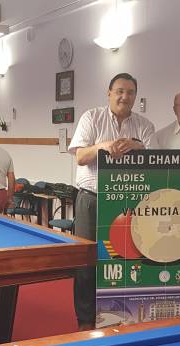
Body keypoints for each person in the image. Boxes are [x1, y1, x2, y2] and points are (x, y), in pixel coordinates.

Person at [69, 72, 155, 330]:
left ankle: (121, 316)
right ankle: (85, 321)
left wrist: (136, 146)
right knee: (86, 262)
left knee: (126, 260)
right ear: (109, 93)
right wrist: (102, 147)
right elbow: (80, 157)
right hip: (91, 200)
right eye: (119, 91)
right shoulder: (91, 117)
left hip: (128, 204)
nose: (124, 96)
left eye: (130, 92)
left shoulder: (144, 125)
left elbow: (156, 158)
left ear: (135, 97)